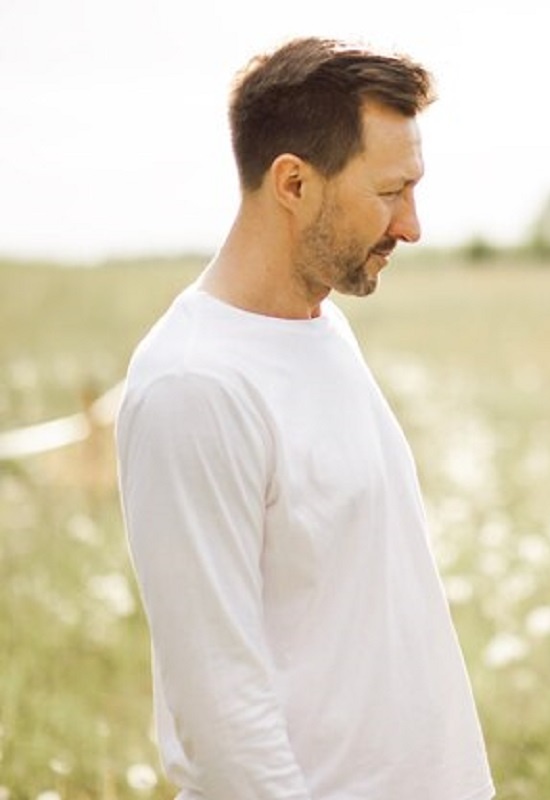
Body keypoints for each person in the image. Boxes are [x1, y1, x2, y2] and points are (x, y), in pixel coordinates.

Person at [115, 38, 494, 800]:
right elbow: (220, 717)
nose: (412, 225)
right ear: (293, 181)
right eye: (391, 192)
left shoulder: (321, 326)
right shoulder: (194, 388)